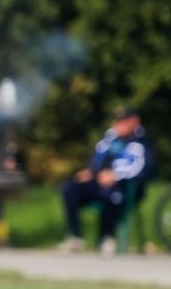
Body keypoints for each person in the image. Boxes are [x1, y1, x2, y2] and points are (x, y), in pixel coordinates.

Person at [59, 106, 156, 256]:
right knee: (70, 188)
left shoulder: (142, 143)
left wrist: (116, 176)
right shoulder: (108, 139)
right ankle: (75, 236)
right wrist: (91, 172)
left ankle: (106, 237)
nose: (119, 125)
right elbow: (96, 160)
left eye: (123, 121)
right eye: (117, 121)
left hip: (124, 187)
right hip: (98, 181)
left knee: (112, 195)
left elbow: (144, 169)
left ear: (134, 121)